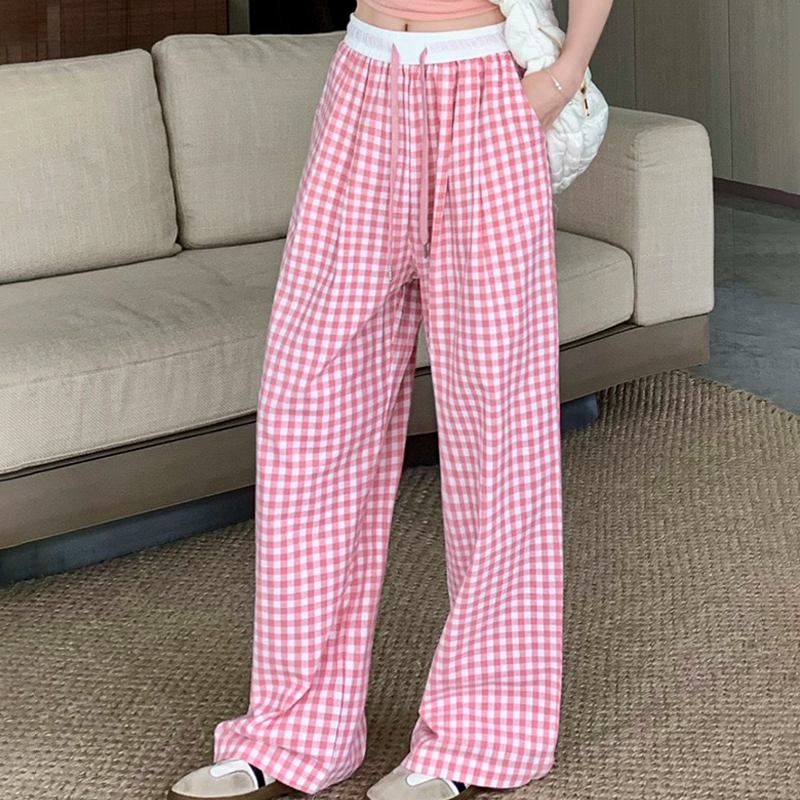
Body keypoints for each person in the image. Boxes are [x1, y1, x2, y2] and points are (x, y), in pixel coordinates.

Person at [168, 1, 613, 798]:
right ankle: (294, 728)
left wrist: (564, 74)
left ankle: (482, 734)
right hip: (365, 82)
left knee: (499, 425)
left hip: (486, 89)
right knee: (309, 408)